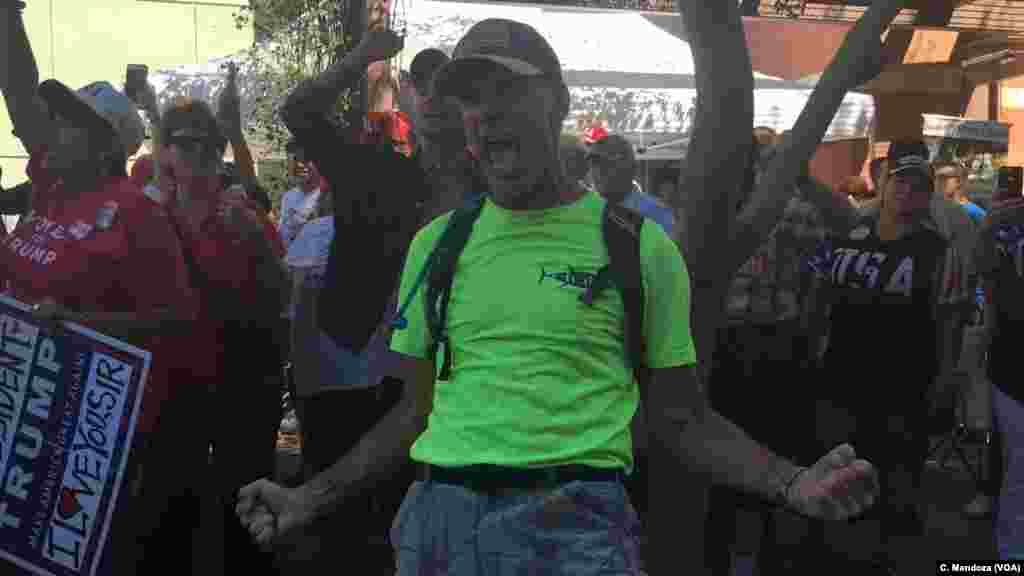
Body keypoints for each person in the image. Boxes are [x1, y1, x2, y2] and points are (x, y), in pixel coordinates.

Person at [237, 18, 878, 576]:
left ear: (558, 102)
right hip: (438, 528)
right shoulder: (438, 244)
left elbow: (682, 418)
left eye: (508, 90)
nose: (487, 112)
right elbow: (414, 415)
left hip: (573, 530)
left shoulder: (635, 247)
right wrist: (308, 497)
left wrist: (791, 482)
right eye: (472, 98)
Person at [258, 34, 474, 573]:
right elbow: (299, 108)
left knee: (424, 537)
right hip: (352, 376)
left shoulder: (498, 197)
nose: (437, 100)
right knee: (343, 536)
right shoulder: (376, 169)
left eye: (451, 89)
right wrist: (361, 57)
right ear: (409, 101)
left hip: (451, 394)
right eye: (425, 87)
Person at [1, 6, 198, 574]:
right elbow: (17, 89)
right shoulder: (53, 188)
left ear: (107, 146)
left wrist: (78, 323)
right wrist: (9, 14)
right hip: (23, 417)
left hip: (88, 438)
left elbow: (177, 315)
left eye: (68, 123)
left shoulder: (139, 213)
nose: (51, 129)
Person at [808, 141, 969, 573]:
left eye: (918, 186)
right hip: (840, 374)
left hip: (905, 383)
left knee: (896, 477)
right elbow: (820, 297)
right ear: (884, 184)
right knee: (840, 465)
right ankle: (837, 550)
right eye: (900, 182)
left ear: (927, 196)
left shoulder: (938, 250)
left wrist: (947, 378)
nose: (906, 192)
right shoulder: (847, 235)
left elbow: (949, 318)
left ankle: (889, 555)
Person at [156, 85, 287, 575]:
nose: (194, 153)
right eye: (182, 142)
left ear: (218, 151)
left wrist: (255, 238)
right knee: (178, 495)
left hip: (246, 375)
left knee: (246, 492)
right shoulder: (153, 217)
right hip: (179, 378)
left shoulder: (243, 212)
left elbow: (283, 290)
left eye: (204, 143)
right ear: (167, 151)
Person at [587, 132, 675, 235]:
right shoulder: (585, 212)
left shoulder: (656, 213)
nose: (597, 172)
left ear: (631, 168)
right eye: (593, 164)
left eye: (607, 164)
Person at [279, 139, 324, 248]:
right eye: (293, 160)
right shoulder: (288, 197)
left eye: (304, 160)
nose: (298, 166)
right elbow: (285, 237)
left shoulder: (327, 197)